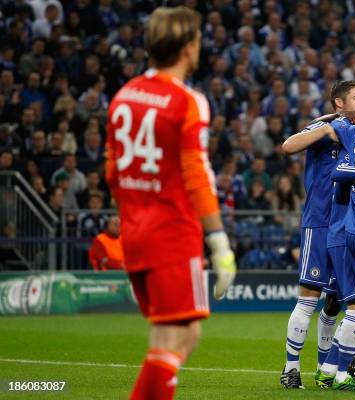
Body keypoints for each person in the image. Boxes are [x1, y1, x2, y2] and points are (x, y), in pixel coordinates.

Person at [105, 8, 236, 400]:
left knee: (176, 336)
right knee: (176, 338)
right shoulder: (187, 101)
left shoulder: (123, 96)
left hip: (136, 233)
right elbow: (197, 174)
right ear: (186, 47)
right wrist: (218, 240)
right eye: (196, 40)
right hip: (173, 233)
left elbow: (113, 171)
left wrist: (132, 222)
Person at [280, 81, 355, 389]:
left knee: (338, 303)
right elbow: (289, 146)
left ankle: (326, 370)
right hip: (320, 223)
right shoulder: (324, 128)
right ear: (339, 103)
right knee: (309, 298)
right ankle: (290, 368)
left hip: (349, 226)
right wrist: (327, 124)